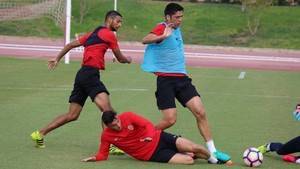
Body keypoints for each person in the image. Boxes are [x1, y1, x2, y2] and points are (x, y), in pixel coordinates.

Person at [140, 2, 230, 162]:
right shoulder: (163, 27)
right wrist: (161, 36)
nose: (180, 20)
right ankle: (140, 137)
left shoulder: (176, 28)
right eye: (177, 17)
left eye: (181, 17)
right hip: (166, 80)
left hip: (182, 79)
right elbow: (145, 39)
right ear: (168, 17)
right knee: (170, 120)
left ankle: (213, 151)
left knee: (200, 112)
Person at [30, 10, 132, 150]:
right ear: (110, 20)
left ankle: (40, 133)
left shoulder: (92, 34)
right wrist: (128, 60)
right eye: (118, 21)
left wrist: (57, 58)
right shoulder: (109, 34)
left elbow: (70, 45)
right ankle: (111, 145)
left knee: (72, 115)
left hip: (82, 75)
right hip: (90, 75)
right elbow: (120, 58)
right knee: (107, 111)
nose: (120, 25)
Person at [81, 111, 229, 165]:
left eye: (117, 122)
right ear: (107, 126)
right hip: (151, 154)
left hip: (160, 138)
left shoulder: (128, 116)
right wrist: (94, 158)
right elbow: (103, 154)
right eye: (113, 126)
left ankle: (214, 160)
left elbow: (147, 125)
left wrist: (150, 136)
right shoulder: (106, 135)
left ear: (117, 117)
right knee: (189, 160)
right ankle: (191, 155)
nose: (117, 126)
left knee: (195, 147)